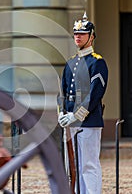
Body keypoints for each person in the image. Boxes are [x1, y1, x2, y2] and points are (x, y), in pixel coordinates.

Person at [58, 12, 108, 194]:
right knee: (73, 167)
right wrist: (62, 113)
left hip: (88, 121)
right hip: (70, 122)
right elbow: (62, 91)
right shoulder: (71, 62)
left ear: (91, 36)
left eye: (82, 34)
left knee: (88, 165)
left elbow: (95, 94)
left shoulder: (97, 62)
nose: (78, 37)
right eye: (76, 33)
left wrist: (76, 114)